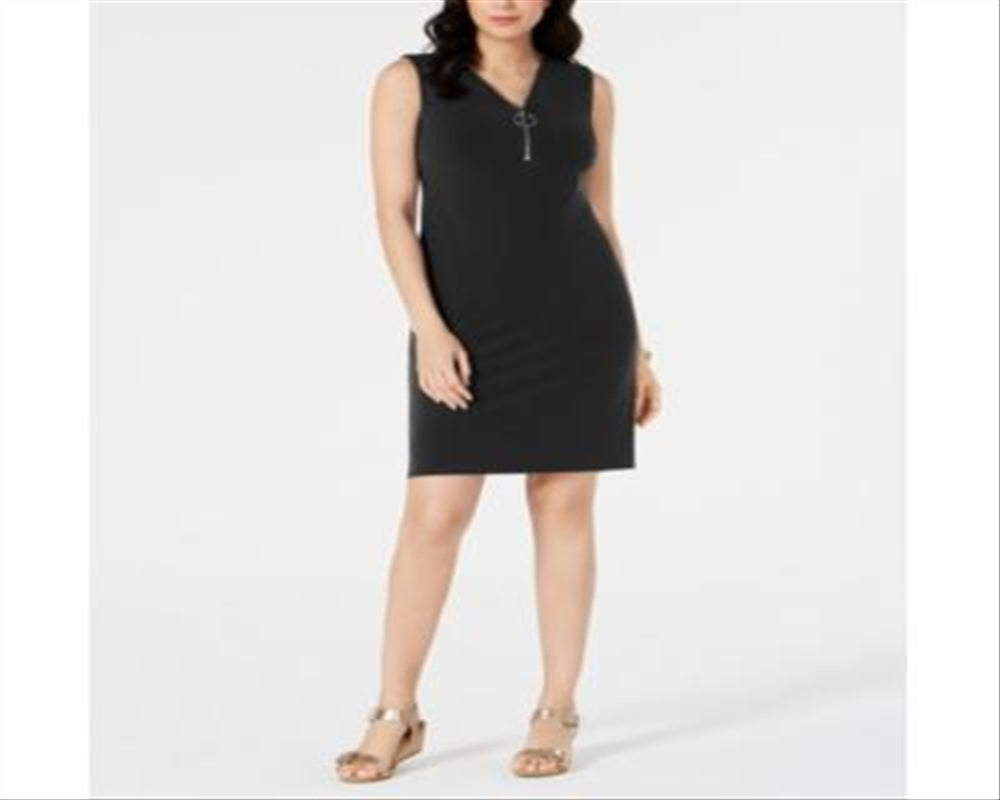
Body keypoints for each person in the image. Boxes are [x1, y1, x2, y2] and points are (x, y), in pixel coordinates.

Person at [334, 0, 663, 782]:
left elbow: (600, 214)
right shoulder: (408, 82)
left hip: (581, 323)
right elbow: (393, 211)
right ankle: (395, 713)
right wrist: (428, 328)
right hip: (463, 327)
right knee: (436, 513)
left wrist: (637, 349)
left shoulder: (589, 90)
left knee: (562, 505)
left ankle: (556, 708)